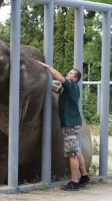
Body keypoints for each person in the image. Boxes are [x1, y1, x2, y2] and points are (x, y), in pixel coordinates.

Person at [37, 60, 90, 191]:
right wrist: (46, 84)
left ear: (75, 78)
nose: (68, 73)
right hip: (74, 123)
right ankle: (84, 176)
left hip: (71, 125)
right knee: (77, 151)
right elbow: (57, 89)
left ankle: (74, 182)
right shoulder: (68, 89)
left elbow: (60, 78)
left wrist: (48, 67)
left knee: (72, 153)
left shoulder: (71, 85)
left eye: (71, 73)